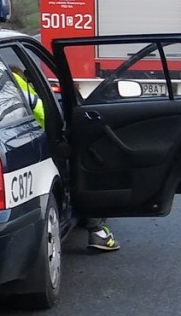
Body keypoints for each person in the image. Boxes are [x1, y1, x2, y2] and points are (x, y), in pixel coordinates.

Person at [9, 66, 120, 252]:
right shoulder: (16, 83)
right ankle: (98, 231)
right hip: (36, 146)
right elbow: (41, 113)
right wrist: (58, 139)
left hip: (15, 143)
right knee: (87, 172)